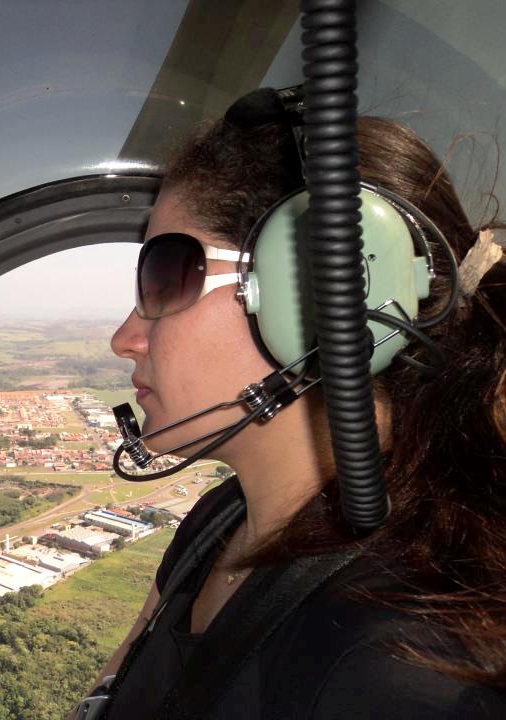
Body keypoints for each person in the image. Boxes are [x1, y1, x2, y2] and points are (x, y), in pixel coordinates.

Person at [74, 102, 506, 718]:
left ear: (318, 295)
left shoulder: (396, 665)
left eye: (165, 276)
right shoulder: (219, 522)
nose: (125, 338)